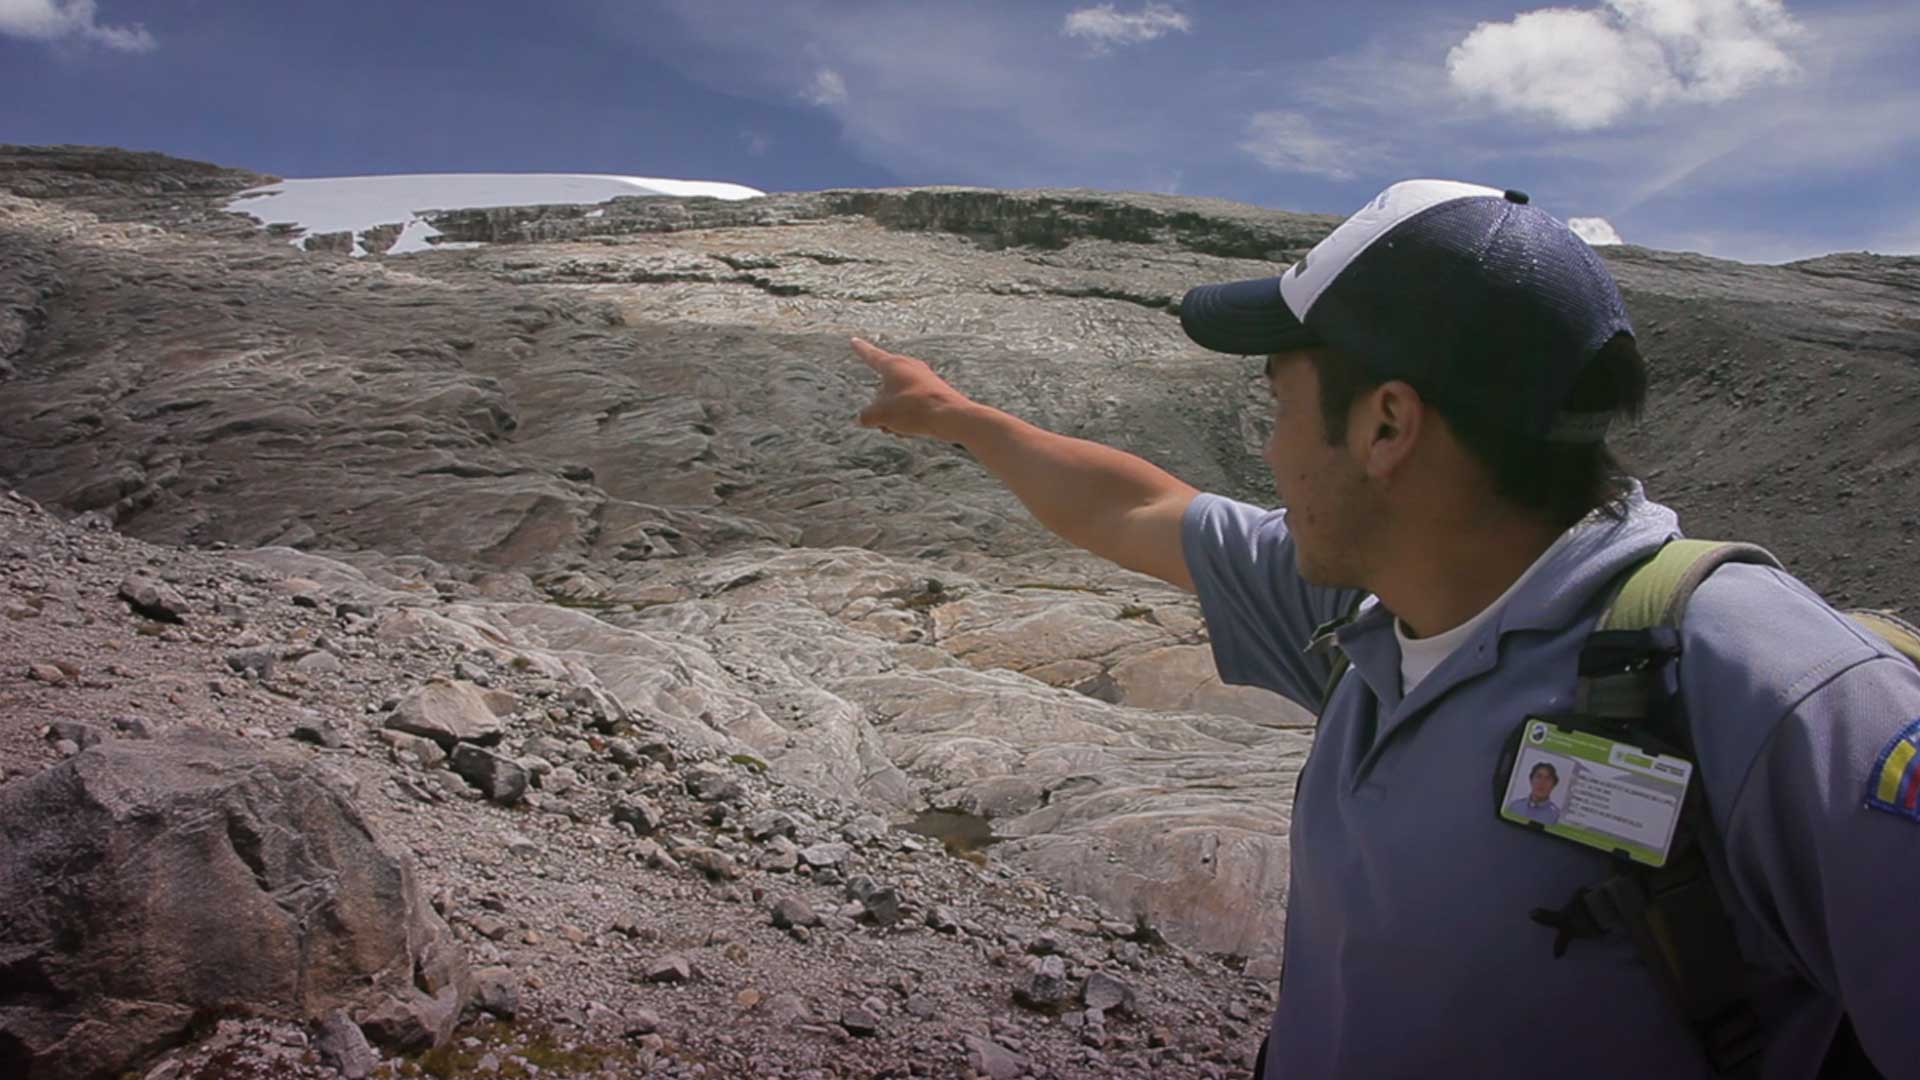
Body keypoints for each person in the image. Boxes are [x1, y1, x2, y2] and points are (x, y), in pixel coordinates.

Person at [849, 178, 1918, 1078]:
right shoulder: (1370, 603)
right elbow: (1132, 508)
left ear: (1387, 424)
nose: (1268, 454)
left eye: (1277, 405)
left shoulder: (1777, 688)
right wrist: (952, 414)